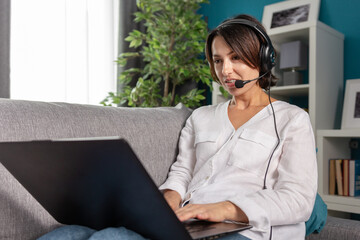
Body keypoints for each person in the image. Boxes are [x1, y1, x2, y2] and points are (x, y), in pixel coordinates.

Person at [38, 14, 317, 240]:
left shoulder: (292, 119)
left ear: (263, 58)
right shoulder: (201, 116)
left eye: (236, 58)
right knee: (67, 233)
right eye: (218, 60)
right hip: (188, 223)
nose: (225, 71)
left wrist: (225, 209)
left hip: (246, 229)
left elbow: (298, 199)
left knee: (111, 237)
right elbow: (182, 171)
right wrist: (165, 201)